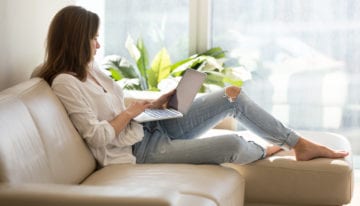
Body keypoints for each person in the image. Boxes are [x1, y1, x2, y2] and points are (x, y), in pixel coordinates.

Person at [37, 5, 348, 167]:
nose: (98, 44)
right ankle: (264, 150)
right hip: (139, 152)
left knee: (231, 95)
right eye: (93, 38)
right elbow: (97, 135)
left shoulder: (92, 70)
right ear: (77, 40)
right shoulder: (65, 83)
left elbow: (118, 110)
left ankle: (298, 144)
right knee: (232, 145)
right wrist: (130, 113)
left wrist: (155, 105)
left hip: (150, 129)